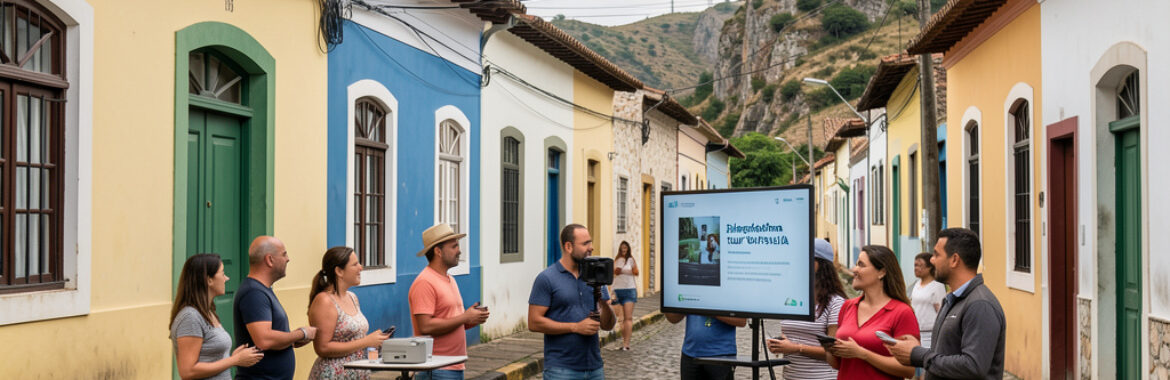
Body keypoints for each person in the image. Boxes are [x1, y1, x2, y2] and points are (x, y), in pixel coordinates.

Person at [887, 228, 1006, 380]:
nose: (931, 260)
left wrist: (920, 355)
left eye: (936, 254)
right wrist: (915, 349)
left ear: (954, 260)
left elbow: (973, 366)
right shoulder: (952, 299)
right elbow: (945, 353)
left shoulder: (980, 305)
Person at [528, 224, 616, 380]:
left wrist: (603, 302)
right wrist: (575, 327)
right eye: (585, 244)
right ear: (568, 247)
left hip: (595, 368)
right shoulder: (547, 278)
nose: (591, 248)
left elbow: (608, 325)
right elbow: (534, 322)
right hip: (561, 370)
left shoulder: (596, 276)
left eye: (590, 242)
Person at [409, 224, 490, 380]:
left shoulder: (450, 280)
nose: (459, 251)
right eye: (454, 246)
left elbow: (451, 320)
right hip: (436, 368)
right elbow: (425, 326)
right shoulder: (425, 282)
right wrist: (465, 317)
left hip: (452, 366)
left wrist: (472, 318)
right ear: (438, 252)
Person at [825, 245, 918, 379]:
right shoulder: (848, 306)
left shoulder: (902, 312)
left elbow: (908, 370)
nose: (854, 269)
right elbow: (837, 364)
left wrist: (863, 354)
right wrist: (830, 349)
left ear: (882, 272)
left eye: (861, 265)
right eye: (856, 264)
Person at [235, 236, 317, 380]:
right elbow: (264, 340)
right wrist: (302, 333)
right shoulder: (254, 293)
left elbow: (269, 337)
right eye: (284, 254)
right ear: (269, 260)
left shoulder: (262, 290)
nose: (288, 259)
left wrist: (291, 340)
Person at [170, 253, 263, 380]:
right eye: (222, 273)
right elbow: (188, 371)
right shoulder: (190, 317)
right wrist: (234, 360)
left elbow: (209, 359)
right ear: (209, 280)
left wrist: (231, 358)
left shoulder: (208, 311)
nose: (227, 278)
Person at [766, 239, 846, 380]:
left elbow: (835, 353)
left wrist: (797, 348)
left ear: (819, 265)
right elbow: (789, 337)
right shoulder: (792, 299)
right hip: (791, 376)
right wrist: (779, 345)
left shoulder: (836, 303)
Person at [307, 247, 391, 380]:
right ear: (339, 271)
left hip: (357, 372)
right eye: (355, 264)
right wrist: (365, 341)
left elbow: (354, 340)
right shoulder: (324, 301)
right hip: (334, 375)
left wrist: (375, 341)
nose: (361, 268)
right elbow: (322, 347)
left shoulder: (352, 297)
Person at [663, 312, 746, 380]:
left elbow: (741, 321)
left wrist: (707, 308)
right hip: (690, 355)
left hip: (721, 356)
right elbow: (672, 319)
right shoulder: (691, 291)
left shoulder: (728, 293)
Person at [909, 252, 946, 349]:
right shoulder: (916, 285)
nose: (916, 268)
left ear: (929, 267)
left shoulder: (937, 286)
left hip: (930, 335)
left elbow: (941, 311)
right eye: (915, 265)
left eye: (919, 265)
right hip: (916, 334)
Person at [611, 241, 639, 351]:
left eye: (625, 247)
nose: (624, 249)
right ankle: (624, 340)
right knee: (620, 319)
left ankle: (626, 344)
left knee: (628, 318)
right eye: (622, 247)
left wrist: (626, 270)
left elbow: (636, 272)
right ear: (620, 249)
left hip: (629, 290)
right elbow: (615, 273)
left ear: (628, 249)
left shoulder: (631, 260)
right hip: (617, 290)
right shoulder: (616, 260)